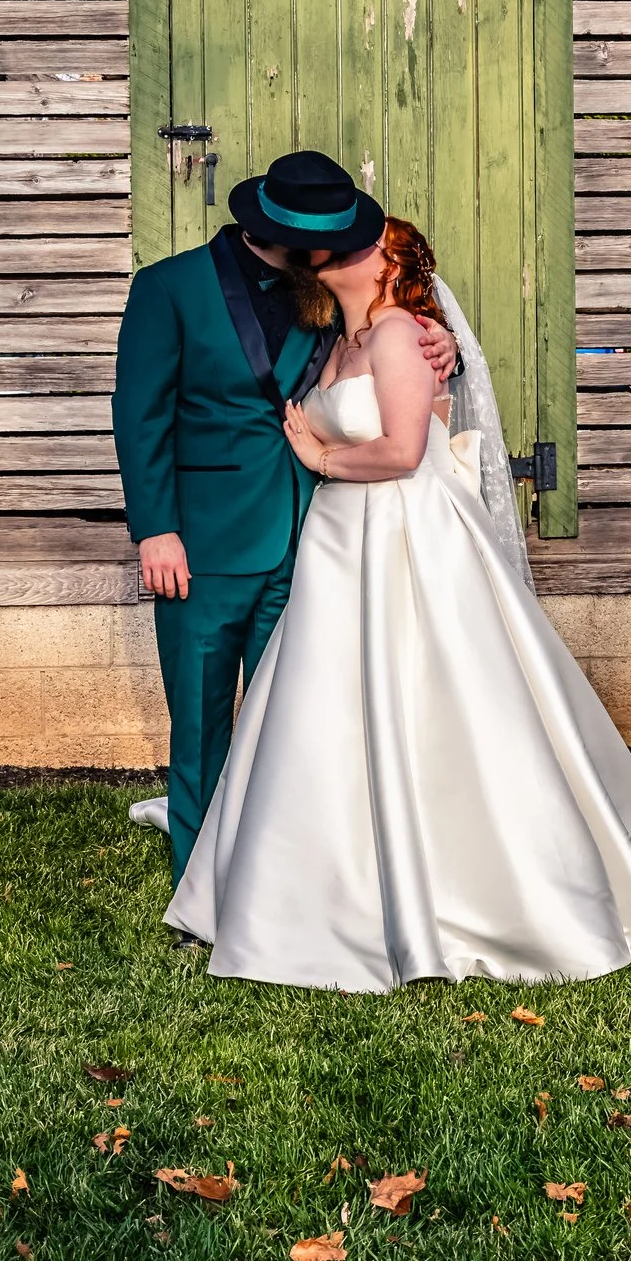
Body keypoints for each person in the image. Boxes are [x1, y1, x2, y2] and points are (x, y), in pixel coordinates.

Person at [162, 214, 631, 993]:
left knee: (430, 701)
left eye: (358, 244)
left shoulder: (402, 334)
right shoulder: (331, 343)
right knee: (324, 718)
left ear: (388, 265)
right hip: (338, 545)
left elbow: (408, 449)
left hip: (405, 537)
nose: (334, 251)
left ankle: (472, 886)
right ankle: (310, 884)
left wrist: (323, 454)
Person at [109, 151, 455, 901]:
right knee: (201, 729)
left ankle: (278, 886)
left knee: (289, 726)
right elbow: (138, 418)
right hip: (200, 547)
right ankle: (201, 890)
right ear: (285, 233)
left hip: (309, 544)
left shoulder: (327, 299)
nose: (337, 253)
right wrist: (154, 528)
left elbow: (387, 346)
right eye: (326, 240)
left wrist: (441, 348)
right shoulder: (167, 288)